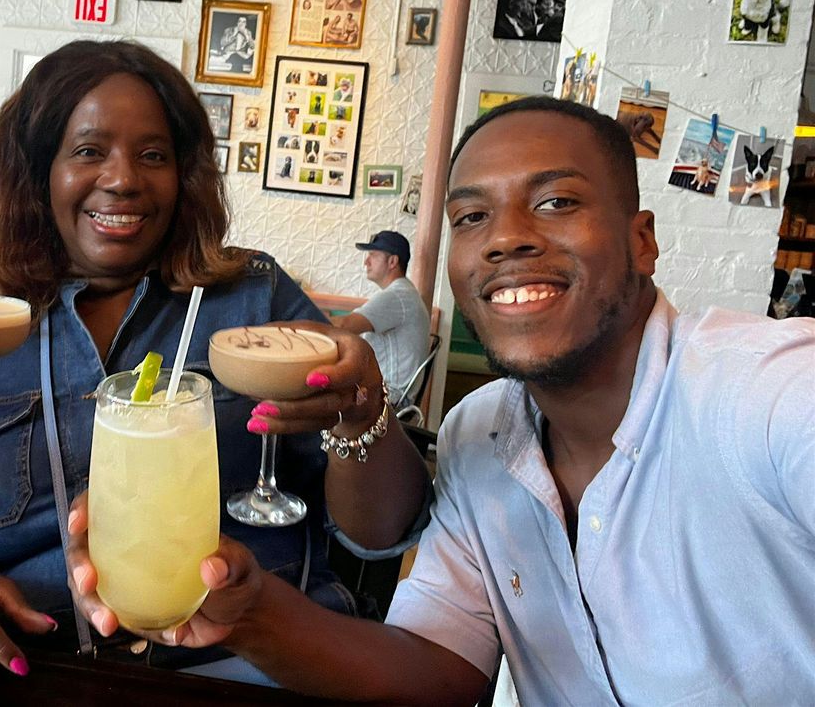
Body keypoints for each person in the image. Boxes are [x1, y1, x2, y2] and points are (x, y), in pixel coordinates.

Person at [73, 97, 814, 704]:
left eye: (556, 202)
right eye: (471, 218)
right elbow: (438, 670)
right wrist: (248, 612)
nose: (505, 240)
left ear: (642, 241)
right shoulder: (479, 435)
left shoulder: (769, 395)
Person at [0, 40, 429, 684]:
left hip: (252, 667)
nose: (123, 179)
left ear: (184, 176)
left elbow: (379, 535)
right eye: (88, 151)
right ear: (38, 171)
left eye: (153, 155)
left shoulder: (256, 302)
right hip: (35, 672)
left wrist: (362, 413)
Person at [332, 232, 429, 403]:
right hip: (390, 393)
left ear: (392, 261)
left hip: (388, 398)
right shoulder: (403, 293)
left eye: (373, 255)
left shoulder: (398, 296)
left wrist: (303, 324)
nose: (366, 262)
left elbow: (344, 325)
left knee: (318, 391)